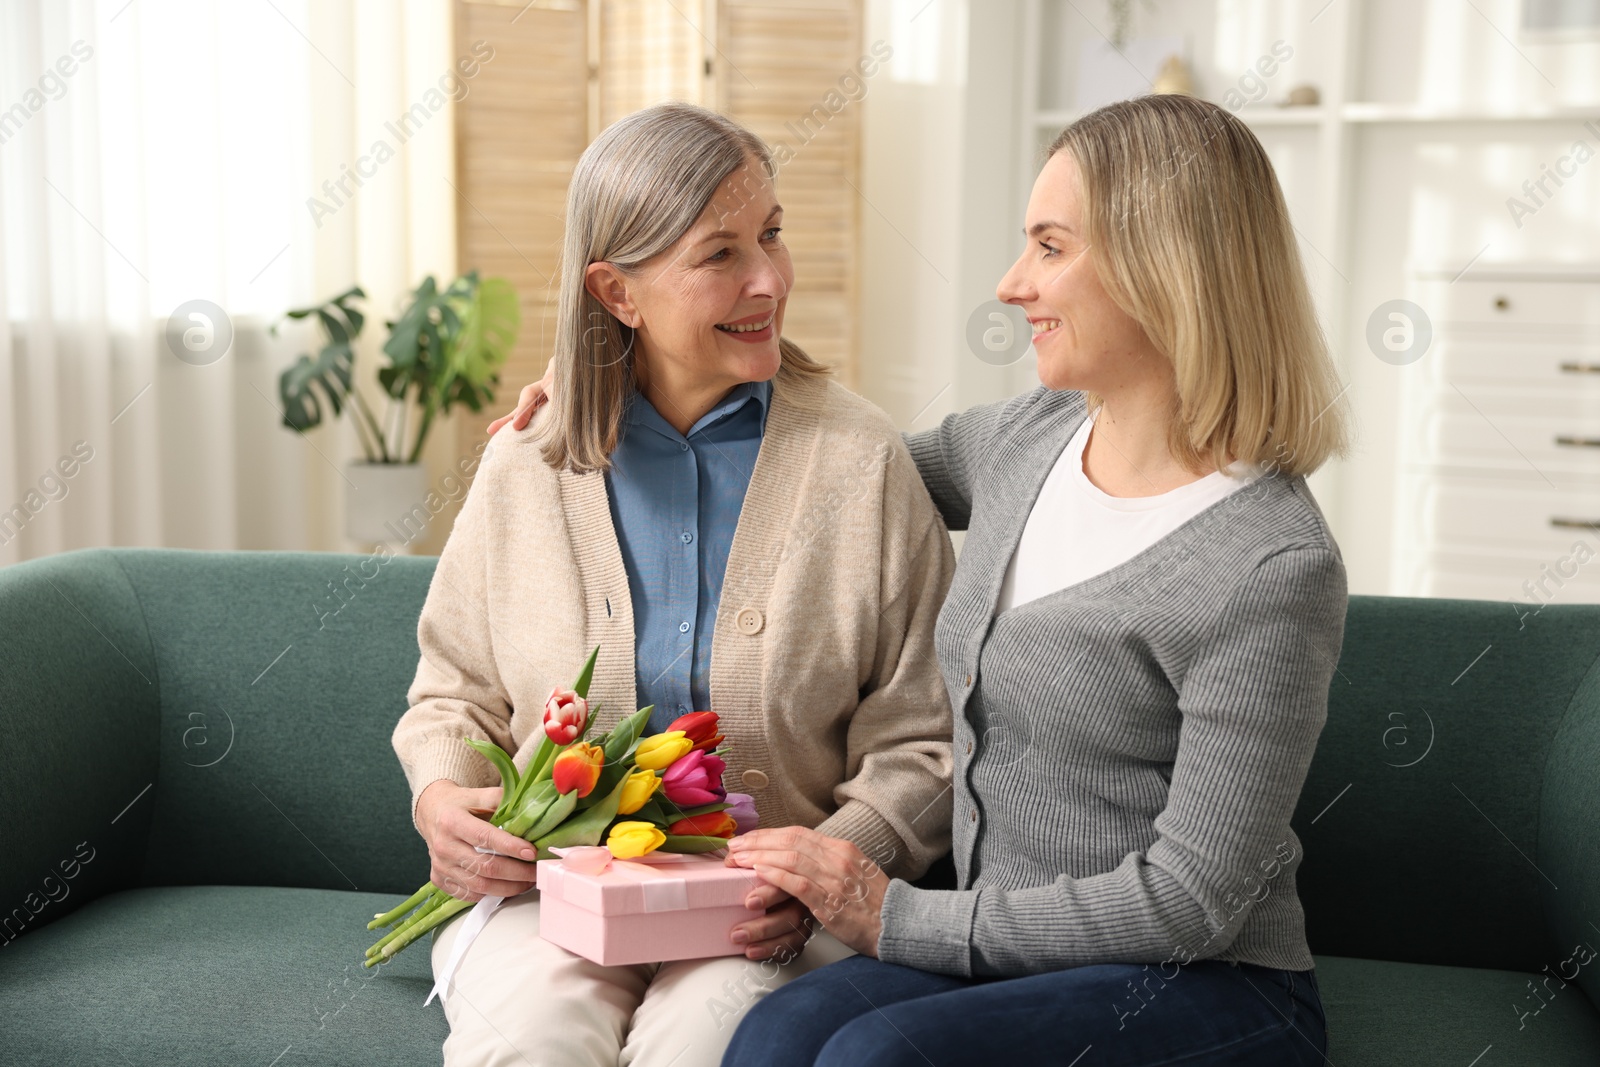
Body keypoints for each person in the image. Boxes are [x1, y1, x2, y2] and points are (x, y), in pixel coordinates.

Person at [497, 93, 1350, 1066]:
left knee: (877, 1056)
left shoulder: (1271, 564)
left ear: (1166, 268)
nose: (1010, 283)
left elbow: (1192, 901)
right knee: (771, 1034)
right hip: (997, 946)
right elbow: (819, 471)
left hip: (1199, 982)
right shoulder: (1028, 439)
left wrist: (895, 915)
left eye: (1049, 246)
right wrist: (618, 381)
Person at [393, 102, 955, 1067]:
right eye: (721, 253)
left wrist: (834, 861)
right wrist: (444, 799)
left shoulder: (860, 460)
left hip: (769, 910)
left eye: (772, 234)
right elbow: (454, 689)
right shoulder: (529, 460)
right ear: (617, 291)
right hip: (554, 889)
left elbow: (924, 735)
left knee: (704, 1046)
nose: (769, 279)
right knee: (531, 1040)